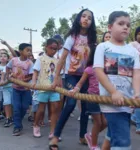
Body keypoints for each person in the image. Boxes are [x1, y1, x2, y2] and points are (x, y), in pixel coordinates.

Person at [49, 9, 97, 150]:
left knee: (85, 108)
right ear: (78, 19)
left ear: (91, 22)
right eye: (83, 16)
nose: (86, 19)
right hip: (71, 75)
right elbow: (62, 59)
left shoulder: (93, 40)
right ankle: (55, 137)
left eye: (89, 17)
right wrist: (56, 78)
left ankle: (82, 136)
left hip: (86, 76)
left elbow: (95, 60)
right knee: (70, 104)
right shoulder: (72, 37)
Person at [94, 11, 140, 150]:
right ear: (110, 27)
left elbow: (137, 73)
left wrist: (137, 93)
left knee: (114, 132)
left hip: (127, 101)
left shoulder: (132, 50)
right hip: (111, 101)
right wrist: (114, 92)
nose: (125, 27)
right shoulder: (103, 47)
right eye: (121, 24)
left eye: (128, 25)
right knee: (122, 142)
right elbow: (99, 71)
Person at [69, 44, 107, 150]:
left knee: (105, 122)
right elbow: (80, 83)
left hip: (103, 99)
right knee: (98, 122)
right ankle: (94, 145)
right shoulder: (89, 69)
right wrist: (75, 89)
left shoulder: (106, 69)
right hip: (92, 98)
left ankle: (90, 135)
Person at [32, 38, 61, 138]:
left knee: (55, 109)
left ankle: (53, 131)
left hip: (54, 89)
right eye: (51, 48)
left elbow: (59, 75)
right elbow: (35, 72)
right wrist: (34, 83)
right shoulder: (40, 58)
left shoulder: (57, 61)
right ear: (46, 47)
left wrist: (59, 86)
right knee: (41, 110)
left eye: (55, 49)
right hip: (43, 88)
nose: (53, 50)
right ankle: (36, 125)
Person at [6, 43, 33, 136]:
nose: (29, 52)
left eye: (30, 50)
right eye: (27, 50)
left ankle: (17, 121)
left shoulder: (30, 63)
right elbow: (7, 67)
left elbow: (31, 76)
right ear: (21, 51)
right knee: (17, 108)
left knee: (24, 107)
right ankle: (17, 127)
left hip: (26, 89)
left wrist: (22, 81)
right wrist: (8, 76)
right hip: (15, 89)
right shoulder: (14, 60)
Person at [0, 60, 14, 127]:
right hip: (6, 88)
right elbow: (2, 77)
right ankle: (8, 118)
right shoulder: (5, 67)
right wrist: (2, 81)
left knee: (13, 104)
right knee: (7, 102)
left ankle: (13, 117)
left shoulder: (17, 67)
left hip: (15, 87)